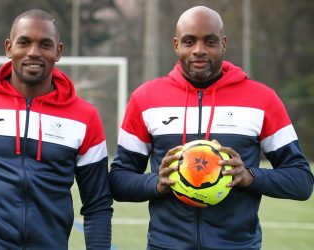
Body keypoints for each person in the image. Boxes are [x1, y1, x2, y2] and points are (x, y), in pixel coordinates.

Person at [109, 5, 313, 250]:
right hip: (165, 245)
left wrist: (250, 176)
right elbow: (119, 181)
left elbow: (301, 181)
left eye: (210, 42)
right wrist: (156, 183)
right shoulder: (146, 99)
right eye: (189, 41)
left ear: (223, 44)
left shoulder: (261, 100)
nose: (199, 50)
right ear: (176, 45)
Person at [0, 9, 112, 250]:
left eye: (45, 44)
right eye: (24, 42)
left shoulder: (85, 117)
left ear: (59, 51)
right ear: (9, 47)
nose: (33, 52)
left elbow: (97, 203)